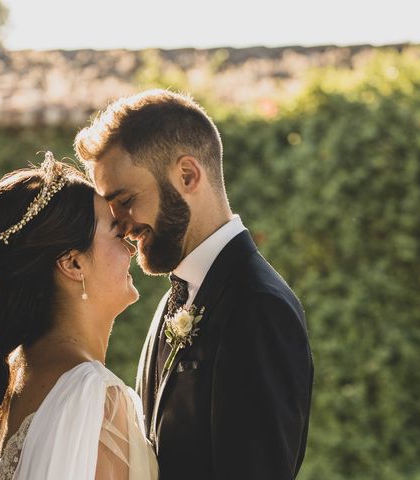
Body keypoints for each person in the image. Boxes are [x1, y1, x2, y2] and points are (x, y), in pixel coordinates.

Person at [74, 89, 314, 479]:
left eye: (126, 199)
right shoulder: (174, 300)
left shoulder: (258, 308)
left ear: (187, 175)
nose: (118, 223)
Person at [0, 154, 158, 480]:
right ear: (73, 264)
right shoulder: (96, 398)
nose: (131, 249)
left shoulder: (13, 383)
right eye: (117, 234)